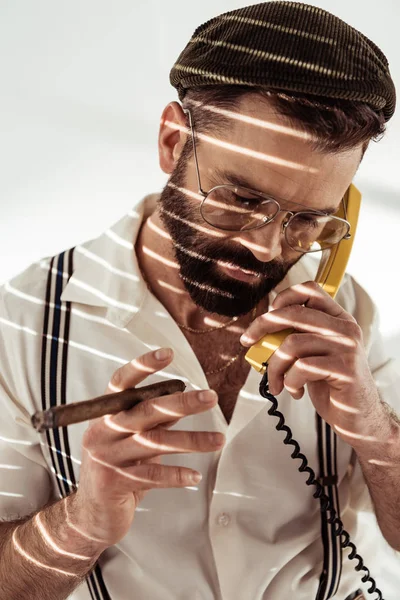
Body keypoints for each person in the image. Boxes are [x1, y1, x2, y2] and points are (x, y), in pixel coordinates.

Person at [0, 2, 399, 599]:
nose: (268, 249)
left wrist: (375, 432)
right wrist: (82, 521)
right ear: (172, 140)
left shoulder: (350, 317)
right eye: (240, 198)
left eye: (308, 219)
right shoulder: (25, 325)